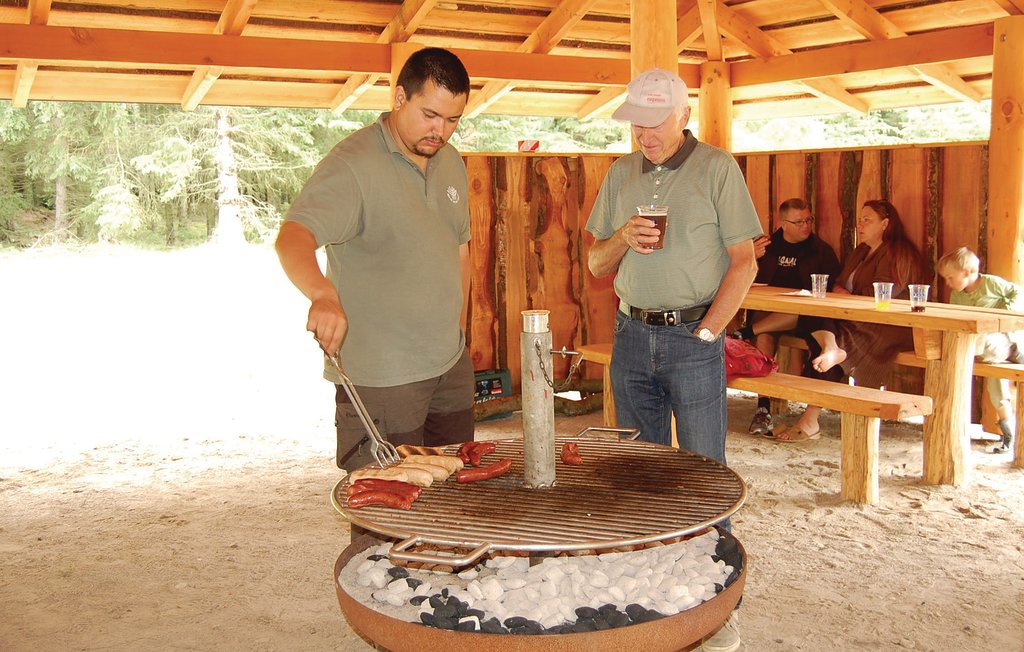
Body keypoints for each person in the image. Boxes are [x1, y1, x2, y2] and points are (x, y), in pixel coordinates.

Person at [585, 67, 761, 652]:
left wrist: (710, 333)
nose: (645, 134)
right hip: (631, 334)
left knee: (705, 474)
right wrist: (621, 238)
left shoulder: (717, 169)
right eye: (636, 122)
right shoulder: (619, 173)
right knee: (636, 470)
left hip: (693, 337)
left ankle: (716, 602)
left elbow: (744, 261)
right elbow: (594, 264)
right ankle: (649, 591)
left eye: (656, 121)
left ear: (684, 116)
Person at [275, 47, 475, 471]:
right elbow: (293, 236)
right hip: (382, 378)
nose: (441, 131)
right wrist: (322, 293)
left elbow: (460, 249)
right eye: (430, 115)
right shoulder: (352, 165)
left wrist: (458, 331)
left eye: (453, 120)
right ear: (399, 98)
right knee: (386, 503)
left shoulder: (451, 163)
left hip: (449, 365)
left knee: (456, 492)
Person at [773, 200, 928, 441]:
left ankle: (810, 419)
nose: (860, 224)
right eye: (860, 218)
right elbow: (838, 281)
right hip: (853, 316)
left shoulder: (899, 252)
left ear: (885, 224)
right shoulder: (861, 251)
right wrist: (843, 293)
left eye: (868, 219)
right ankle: (830, 349)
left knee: (840, 337)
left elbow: (884, 293)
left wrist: (846, 294)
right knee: (811, 321)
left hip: (887, 325)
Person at [737, 198, 841, 435]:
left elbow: (832, 289)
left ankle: (745, 333)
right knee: (764, 337)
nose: (806, 226)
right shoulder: (766, 247)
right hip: (768, 315)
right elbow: (735, 272)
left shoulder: (821, 251)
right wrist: (749, 255)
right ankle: (763, 409)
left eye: (808, 220)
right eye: (799, 222)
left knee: (792, 316)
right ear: (783, 223)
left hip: (807, 319)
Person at [937, 246, 1024, 454]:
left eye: (950, 277)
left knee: (986, 343)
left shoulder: (990, 284)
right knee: (996, 387)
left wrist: (1003, 314)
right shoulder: (957, 297)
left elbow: (1017, 292)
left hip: (1004, 340)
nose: (947, 283)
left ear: (967, 272)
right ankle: (1007, 431)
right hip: (984, 351)